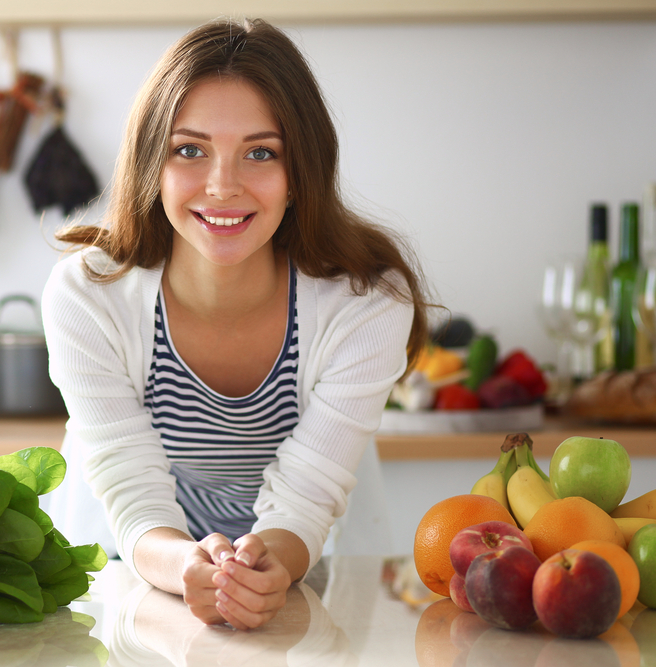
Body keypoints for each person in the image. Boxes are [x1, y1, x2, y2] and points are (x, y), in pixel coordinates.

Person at [41, 17, 430, 631]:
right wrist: (186, 565)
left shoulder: (367, 303)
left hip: (315, 562)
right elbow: (130, 486)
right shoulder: (89, 293)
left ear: (301, 171)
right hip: (126, 559)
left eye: (260, 152)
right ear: (152, 163)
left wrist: (257, 567)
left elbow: (307, 494)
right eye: (189, 149)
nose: (223, 186)